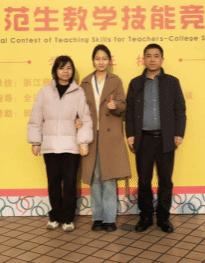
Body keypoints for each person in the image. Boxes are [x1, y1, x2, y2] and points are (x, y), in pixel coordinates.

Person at [27, 55, 93, 232]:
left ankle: (68, 218)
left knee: (70, 184)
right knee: (53, 182)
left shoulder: (78, 92)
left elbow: (85, 118)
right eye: (62, 68)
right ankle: (54, 216)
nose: (65, 71)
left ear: (73, 71)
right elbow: (36, 118)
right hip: (50, 146)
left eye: (69, 68)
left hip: (71, 146)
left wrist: (83, 142)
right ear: (55, 71)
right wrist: (35, 141)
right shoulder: (45, 92)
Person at [126, 44, 186, 233]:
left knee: (165, 180)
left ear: (162, 59)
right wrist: (130, 134)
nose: (152, 59)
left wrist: (179, 133)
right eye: (149, 56)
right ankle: (145, 217)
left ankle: (163, 218)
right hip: (143, 139)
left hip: (165, 139)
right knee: (144, 181)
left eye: (156, 56)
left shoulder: (172, 82)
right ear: (143, 59)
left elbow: (180, 109)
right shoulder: (135, 83)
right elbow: (129, 111)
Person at [79, 45, 131, 232]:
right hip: (92, 134)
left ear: (109, 61)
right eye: (97, 58)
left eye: (104, 58)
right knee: (95, 177)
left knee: (109, 177)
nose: (101, 62)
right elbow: (79, 108)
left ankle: (109, 219)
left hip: (110, 135)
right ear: (93, 60)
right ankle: (97, 218)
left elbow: (124, 105)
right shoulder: (85, 82)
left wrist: (115, 105)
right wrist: (77, 121)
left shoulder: (116, 81)